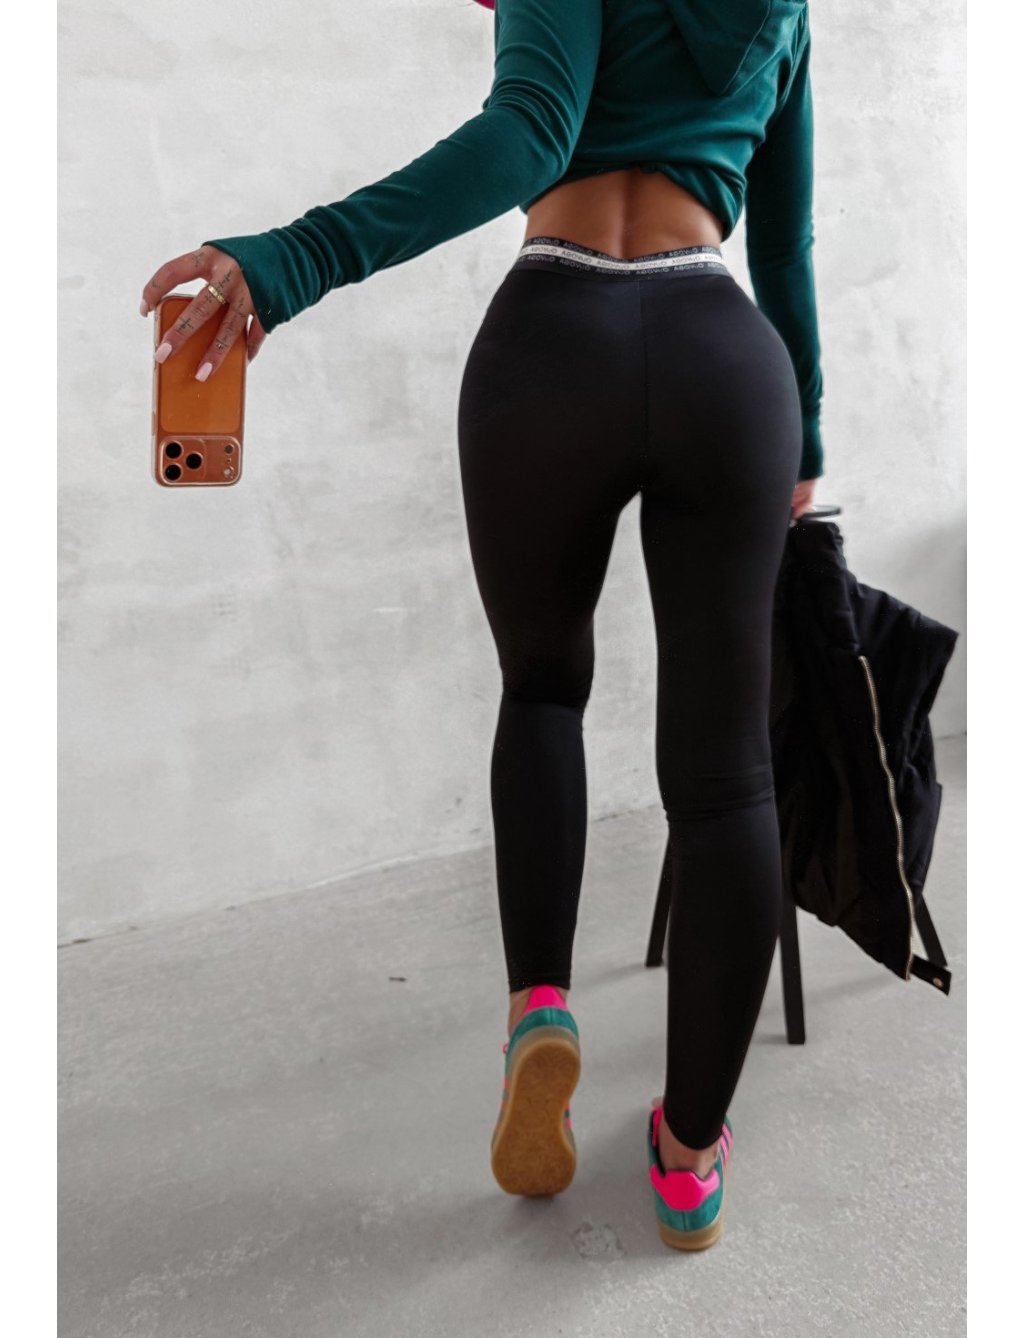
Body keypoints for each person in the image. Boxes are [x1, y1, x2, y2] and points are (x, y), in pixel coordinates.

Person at [139, 0, 823, 1251]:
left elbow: (528, 136)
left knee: (543, 689)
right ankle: (687, 1158)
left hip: (553, 347)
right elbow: (785, 243)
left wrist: (292, 259)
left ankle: (540, 1013)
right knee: (727, 775)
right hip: (725, 365)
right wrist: (807, 434)